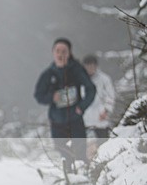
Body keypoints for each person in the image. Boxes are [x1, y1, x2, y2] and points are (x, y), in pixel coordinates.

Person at [34, 37, 96, 166]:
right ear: (53, 53)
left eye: (64, 51)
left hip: (75, 118)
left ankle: (83, 180)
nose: (61, 54)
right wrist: (52, 97)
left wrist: (82, 106)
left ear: (69, 53)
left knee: (80, 154)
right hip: (57, 120)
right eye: (58, 51)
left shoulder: (76, 69)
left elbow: (91, 89)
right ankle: (69, 180)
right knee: (63, 153)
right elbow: (38, 95)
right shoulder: (48, 74)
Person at [82, 54, 117, 159]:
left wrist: (106, 111)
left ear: (96, 66)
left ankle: (102, 163)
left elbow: (111, 96)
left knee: (103, 144)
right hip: (85, 118)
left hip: (101, 116)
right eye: (87, 66)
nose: (89, 69)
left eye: (92, 66)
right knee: (84, 146)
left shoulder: (104, 79)